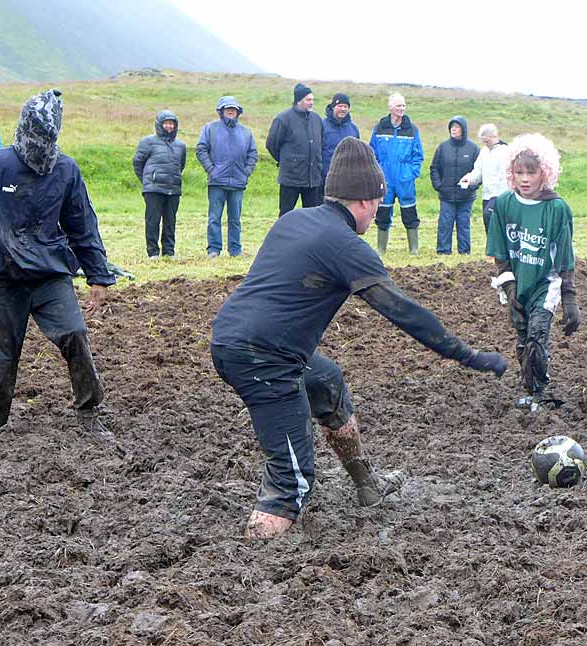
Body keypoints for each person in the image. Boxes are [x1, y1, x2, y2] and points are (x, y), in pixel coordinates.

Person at [209, 138, 507, 540]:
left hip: (233, 338)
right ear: (367, 201)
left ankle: (367, 483)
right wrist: (468, 355)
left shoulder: (294, 220)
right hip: (262, 359)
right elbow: (403, 312)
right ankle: (248, 566)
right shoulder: (347, 246)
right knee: (292, 481)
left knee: (325, 379)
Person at [0, 89, 114, 437]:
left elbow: (82, 225)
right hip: (4, 277)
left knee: (75, 335)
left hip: (51, 275)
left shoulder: (66, 170)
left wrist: (98, 275)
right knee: (1, 357)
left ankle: (89, 412)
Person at [486, 134, 577, 412]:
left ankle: (540, 390)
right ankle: (530, 389)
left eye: (531, 172)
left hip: (545, 284)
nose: (525, 179)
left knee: (538, 336)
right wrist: (509, 287)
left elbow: (564, 256)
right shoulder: (503, 204)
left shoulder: (557, 208)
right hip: (516, 283)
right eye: (519, 172)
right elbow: (499, 252)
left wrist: (569, 299)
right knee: (523, 339)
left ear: (544, 173)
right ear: (511, 173)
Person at [196, 95, 258, 258]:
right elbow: (201, 149)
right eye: (227, 108)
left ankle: (235, 250)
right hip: (217, 182)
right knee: (214, 218)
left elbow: (253, 154)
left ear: (238, 112)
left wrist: (246, 172)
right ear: (221, 111)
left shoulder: (246, 132)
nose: (231, 111)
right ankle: (214, 250)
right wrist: (212, 170)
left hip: (238, 182)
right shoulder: (210, 128)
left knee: (235, 219)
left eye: (234, 109)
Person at [370, 92, 423, 255]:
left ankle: (414, 249)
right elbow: (372, 152)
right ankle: (381, 248)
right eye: (399, 105)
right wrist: (377, 173)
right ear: (390, 107)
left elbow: (418, 155)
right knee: (383, 212)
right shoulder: (380, 127)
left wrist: (411, 174)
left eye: (403, 105)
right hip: (384, 177)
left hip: (404, 178)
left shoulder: (412, 129)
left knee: (409, 212)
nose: (402, 109)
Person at [132, 109, 187, 259]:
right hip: (153, 189)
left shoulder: (181, 146)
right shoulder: (147, 142)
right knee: (152, 221)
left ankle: (169, 252)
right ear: (159, 125)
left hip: (173, 189)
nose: (169, 126)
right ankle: (153, 252)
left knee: (170, 222)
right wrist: (147, 181)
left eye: (172, 124)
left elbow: (181, 165)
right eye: (166, 123)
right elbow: (138, 163)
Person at [266, 83, 324, 215]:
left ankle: (310, 237)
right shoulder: (283, 119)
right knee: (286, 214)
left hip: (312, 179)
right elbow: (272, 144)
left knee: (312, 217)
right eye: (308, 99)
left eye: (312, 100)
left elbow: (321, 144)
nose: (311, 103)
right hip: (291, 179)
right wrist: (288, 161)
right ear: (299, 100)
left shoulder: (317, 119)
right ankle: (283, 236)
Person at [430, 115, 480, 254]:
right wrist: (439, 185)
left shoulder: (473, 149)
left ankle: (464, 251)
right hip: (446, 195)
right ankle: (443, 250)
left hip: (466, 196)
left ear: (463, 129)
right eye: (452, 127)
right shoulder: (443, 147)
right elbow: (434, 168)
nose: (454, 129)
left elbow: (479, 171)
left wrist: (471, 187)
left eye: (457, 127)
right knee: (445, 223)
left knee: (464, 224)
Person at [460, 123, 510, 234]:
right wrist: (468, 179)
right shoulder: (484, 151)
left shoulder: (505, 152)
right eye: (483, 141)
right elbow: (478, 171)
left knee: (490, 216)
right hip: (487, 194)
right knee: (488, 224)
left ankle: (502, 248)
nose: (484, 144)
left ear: (494, 137)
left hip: (501, 194)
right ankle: (492, 248)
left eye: (486, 141)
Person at [320, 92, 360, 184]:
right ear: (333, 107)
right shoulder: (322, 126)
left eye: (345, 107)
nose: (343, 109)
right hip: (326, 178)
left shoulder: (353, 129)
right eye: (340, 106)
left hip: (348, 179)